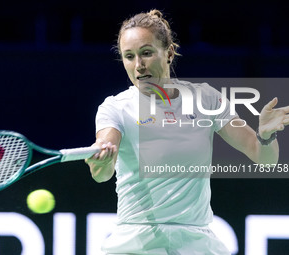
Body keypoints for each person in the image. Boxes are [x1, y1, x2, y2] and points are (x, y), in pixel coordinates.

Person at [85, 9, 289, 255]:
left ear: (169, 53)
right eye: (129, 56)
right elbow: (101, 172)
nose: (138, 65)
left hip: (195, 240)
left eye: (146, 53)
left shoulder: (206, 98)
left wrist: (266, 135)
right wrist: (102, 160)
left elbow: (264, 158)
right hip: (137, 240)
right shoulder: (115, 108)